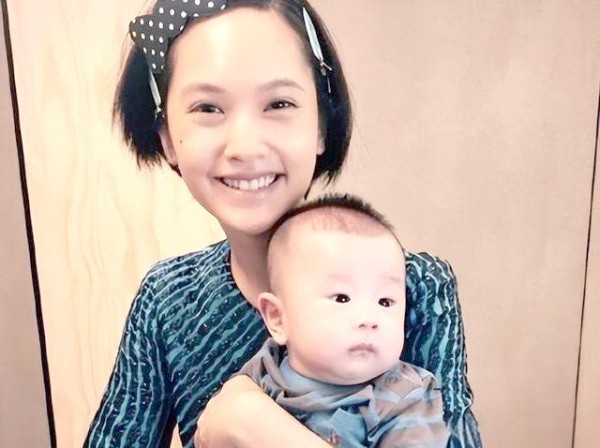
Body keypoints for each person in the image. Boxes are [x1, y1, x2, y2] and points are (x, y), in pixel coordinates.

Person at [83, 0, 481, 447]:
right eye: (208, 108)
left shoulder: (414, 285)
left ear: (321, 127)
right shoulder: (169, 297)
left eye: (279, 103)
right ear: (167, 140)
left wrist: (253, 425)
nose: (245, 146)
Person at [237, 194, 450, 447]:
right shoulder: (262, 372)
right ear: (277, 318)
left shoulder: (406, 396)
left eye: (385, 302)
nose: (368, 319)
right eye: (341, 298)